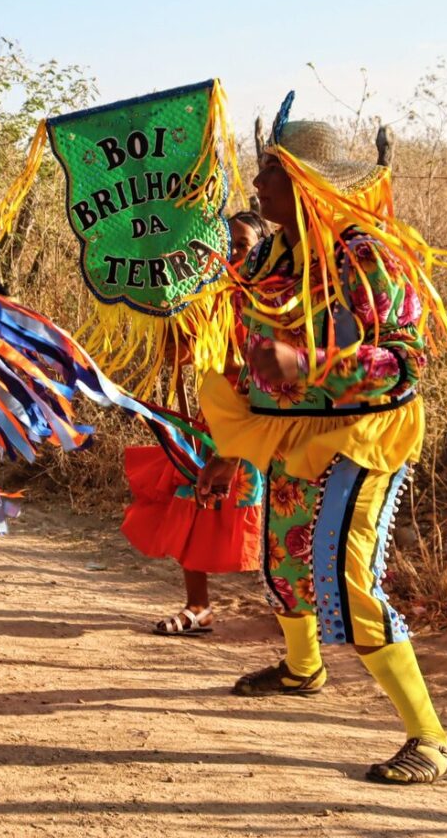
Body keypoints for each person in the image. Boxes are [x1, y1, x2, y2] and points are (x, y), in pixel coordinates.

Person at [197, 112, 447, 784]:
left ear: (308, 183)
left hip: (364, 434)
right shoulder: (272, 256)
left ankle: (432, 741)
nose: (256, 183)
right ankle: (301, 668)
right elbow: (248, 352)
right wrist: (230, 436)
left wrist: (309, 363)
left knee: (344, 576)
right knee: (284, 561)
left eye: (272, 172)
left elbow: (407, 362)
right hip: (293, 431)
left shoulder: (368, 256)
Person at [121, 210, 271, 636]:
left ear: (262, 248)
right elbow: (181, 357)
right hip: (215, 419)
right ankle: (198, 606)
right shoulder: (208, 297)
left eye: (241, 245)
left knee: (273, 514)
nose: (233, 253)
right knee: (193, 498)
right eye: (226, 245)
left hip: (263, 414)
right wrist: (172, 324)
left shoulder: (274, 298)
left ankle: (293, 614)